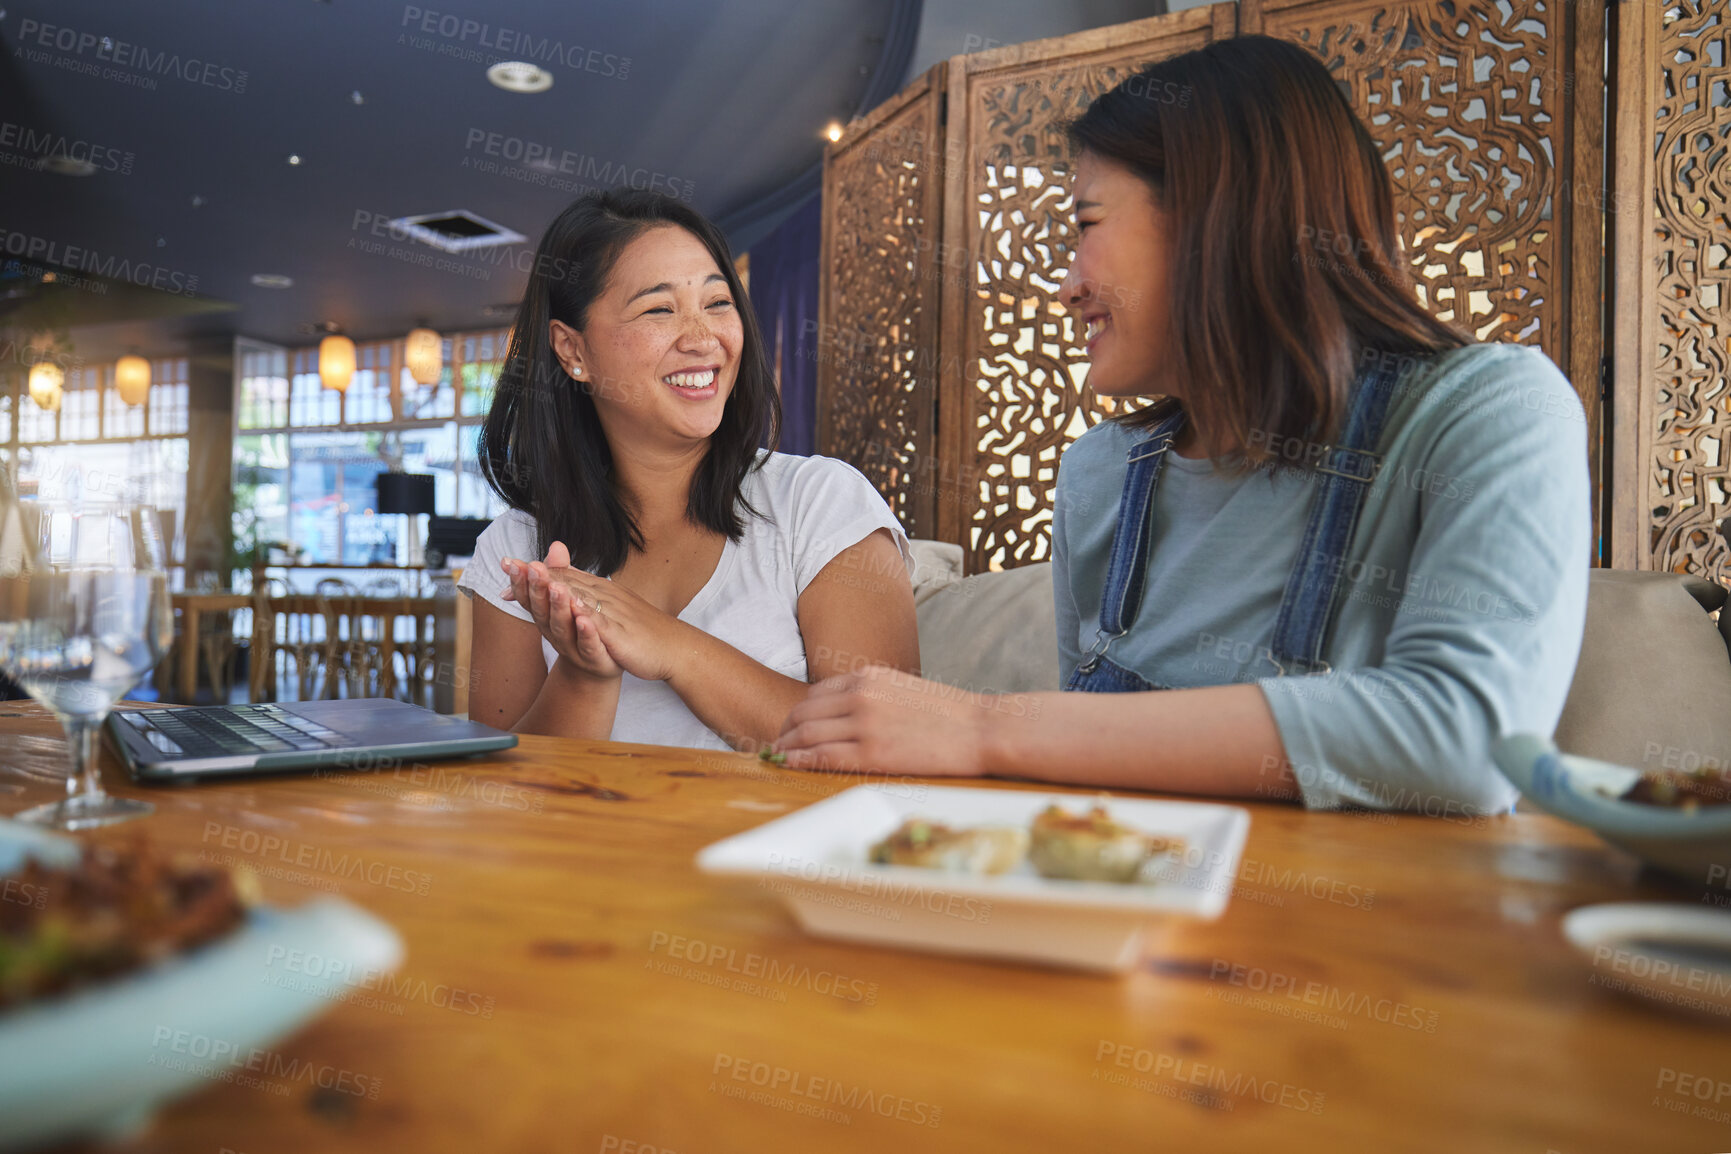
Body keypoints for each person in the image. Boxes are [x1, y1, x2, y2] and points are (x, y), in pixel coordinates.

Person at [774, 35, 1590, 814]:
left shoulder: (1485, 411)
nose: (1064, 286)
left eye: (1085, 226)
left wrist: (986, 728)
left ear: (1216, 217)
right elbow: (1093, 776)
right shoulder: (1099, 473)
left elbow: (1470, 744)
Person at [460, 190, 919, 751]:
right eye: (659, 309)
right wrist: (583, 674)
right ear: (571, 349)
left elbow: (890, 745)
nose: (704, 339)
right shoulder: (514, 551)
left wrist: (672, 647)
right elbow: (505, 806)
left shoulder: (820, 503)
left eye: (718, 303)